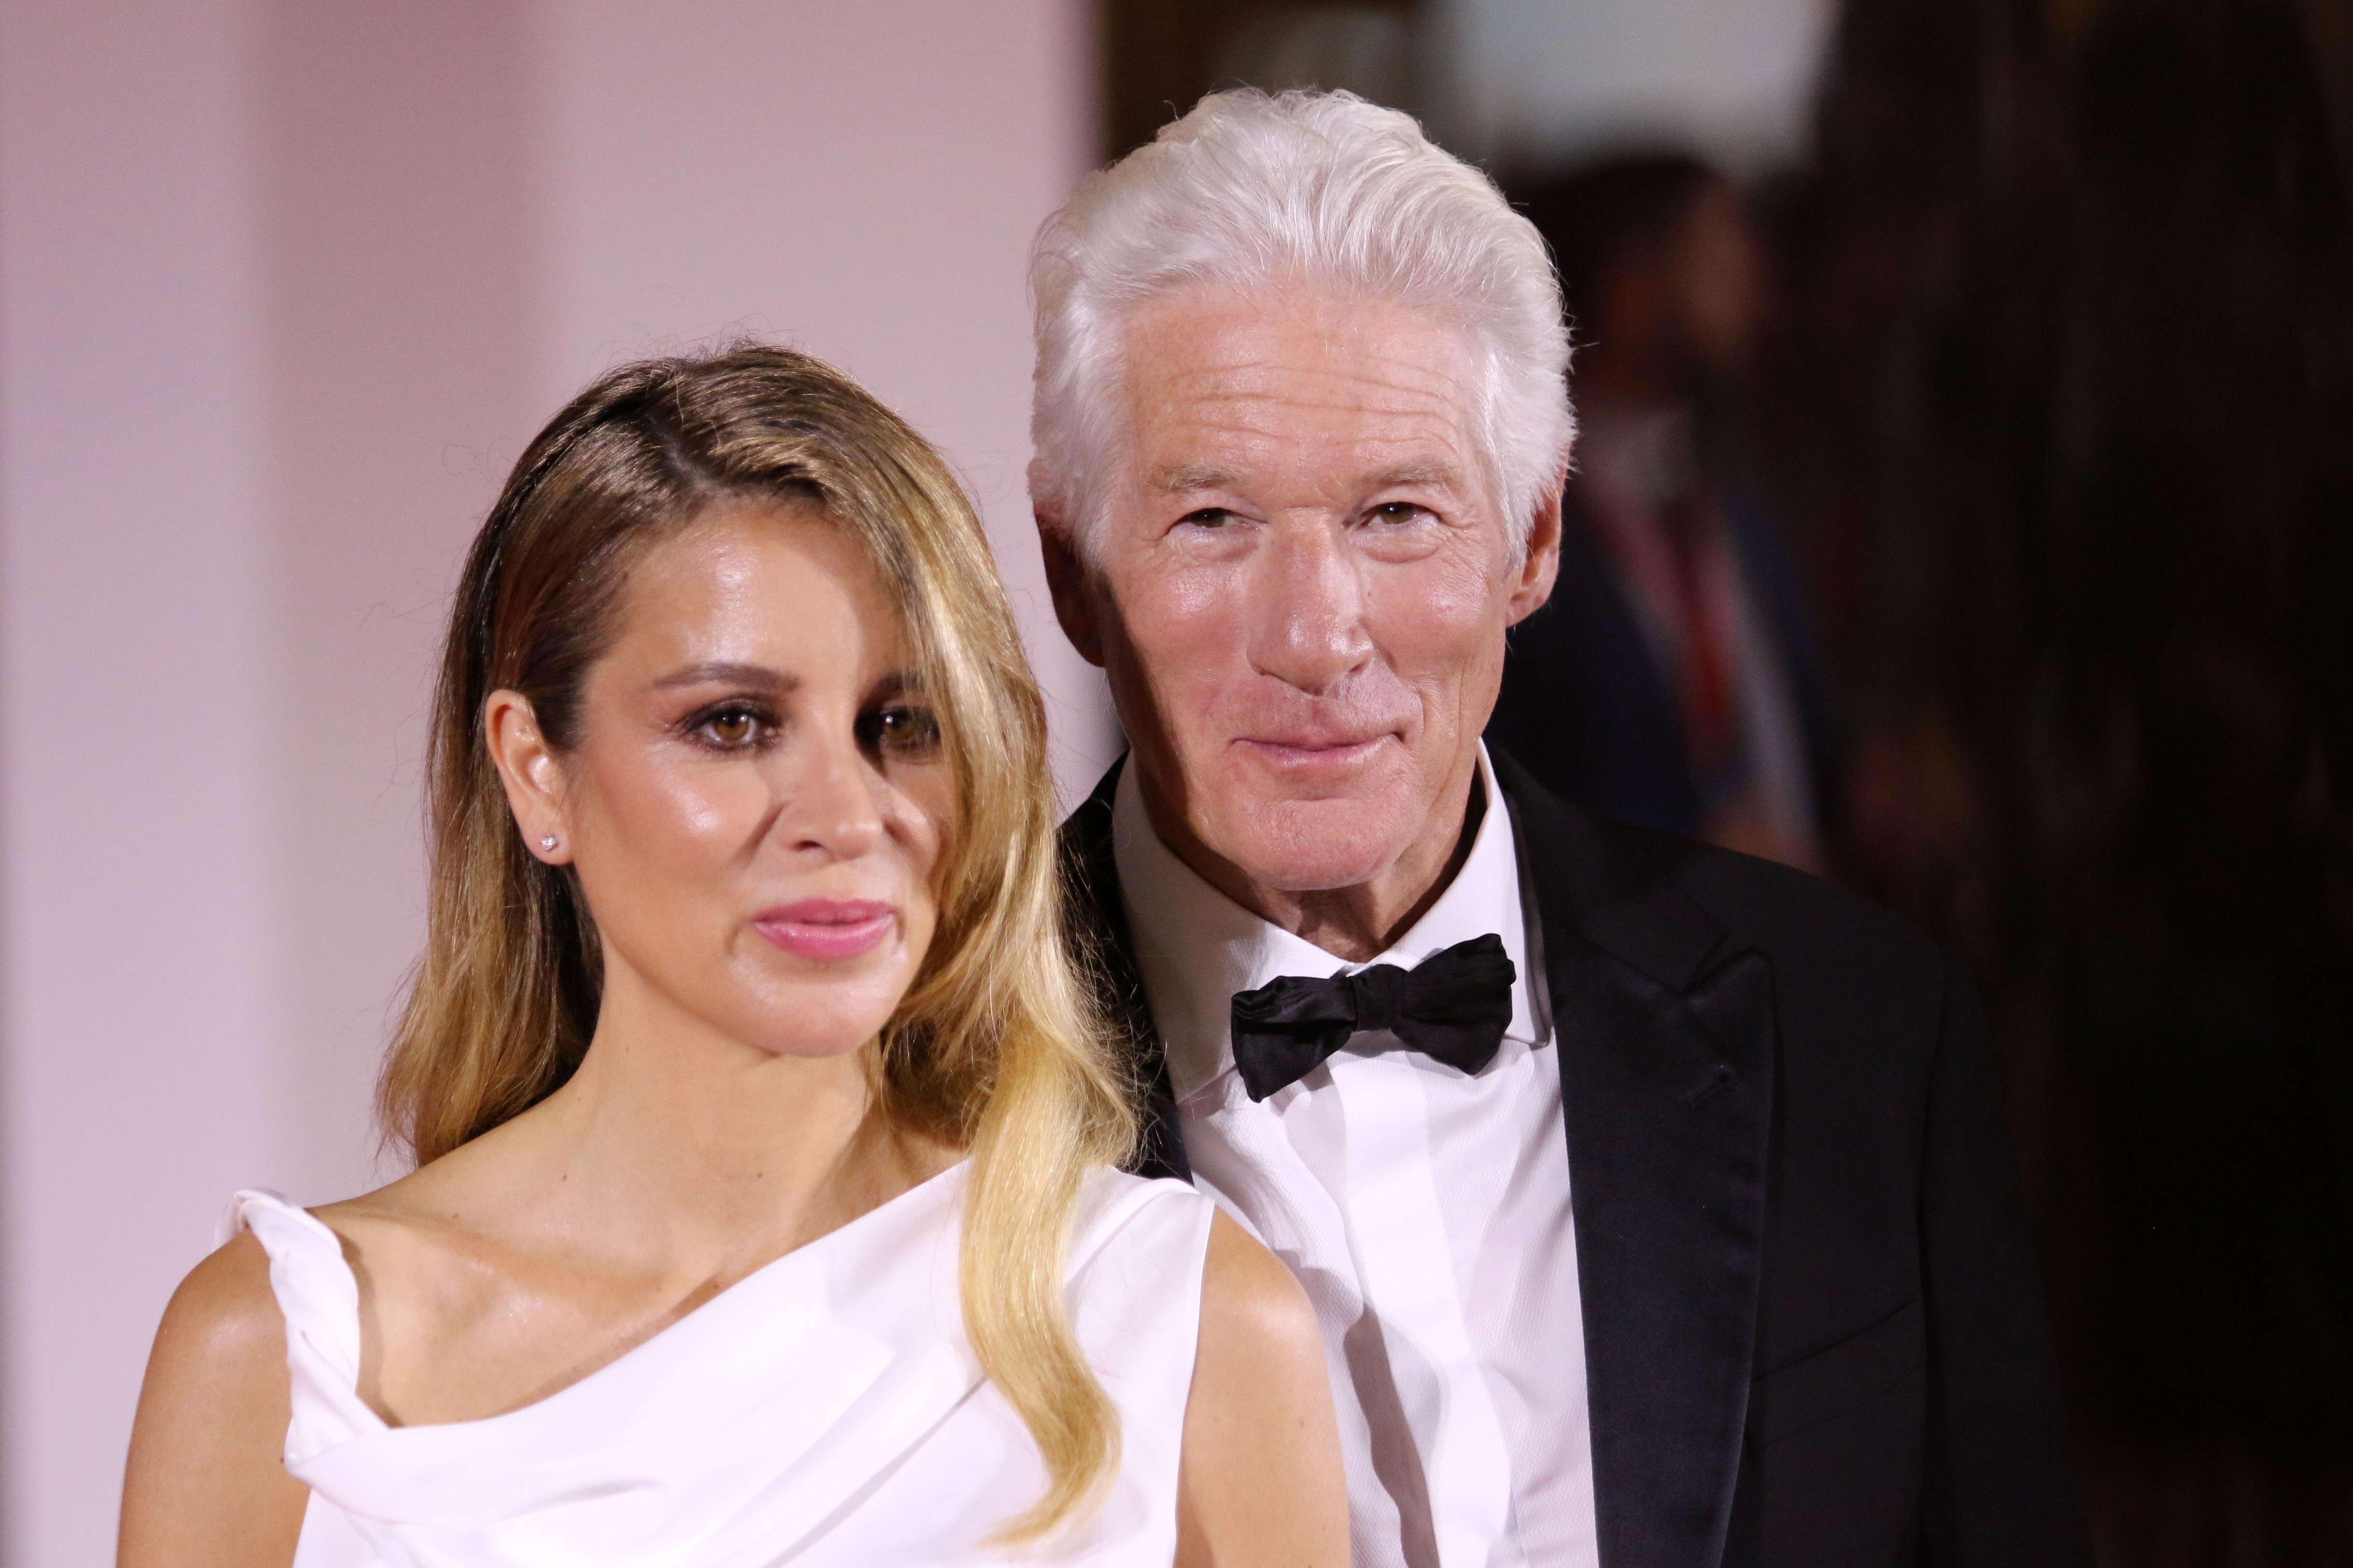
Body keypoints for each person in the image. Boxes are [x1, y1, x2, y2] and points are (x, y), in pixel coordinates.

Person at [1030, 90, 2089, 1567]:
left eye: (1398, 514)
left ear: (1532, 541)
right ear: (1073, 570)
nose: (1318, 634)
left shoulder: (1863, 1030)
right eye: (1214, 522)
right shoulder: (918, 1072)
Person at [118, 346, 1347, 1567]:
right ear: (536, 767)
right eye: (733, 723)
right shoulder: (282, 1356)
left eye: (900, 726)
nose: (847, 814)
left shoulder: (1186, 1322)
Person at [1488, 155, 1839, 873]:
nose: (1755, 284)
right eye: (1718, 248)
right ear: (1633, 289)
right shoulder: (1511, 530)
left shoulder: (1736, 507)